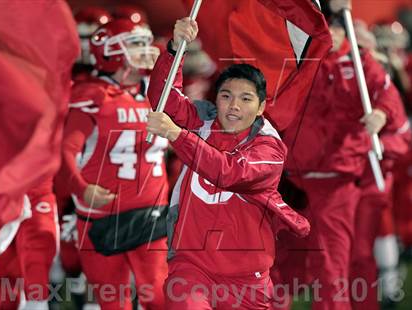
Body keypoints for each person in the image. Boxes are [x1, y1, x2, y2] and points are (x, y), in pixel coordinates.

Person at [146, 17, 308, 309]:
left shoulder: (270, 147)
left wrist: (176, 134)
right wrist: (175, 50)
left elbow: (230, 172)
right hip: (192, 267)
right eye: (226, 96)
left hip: (248, 277)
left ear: (261, 107)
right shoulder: (204, 121)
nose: (233, 105)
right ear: (216, 99)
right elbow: (164, 100)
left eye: (246, 99)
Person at [271, 0, 406, 309]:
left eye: (330, 25)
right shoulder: (301, 58)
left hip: (336, 181)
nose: (325, 32)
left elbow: (388, 97)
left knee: (333, 266)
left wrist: (381, 115)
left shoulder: (360, 61)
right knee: (282, 263)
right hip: (290, 180)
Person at [61, 18, 167, 310]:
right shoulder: (93, 95)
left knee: (158, 298)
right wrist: (81, 189)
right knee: (113, 303)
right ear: (109, 51)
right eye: (135, 43)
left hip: (151, 213)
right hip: (102, 216)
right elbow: (66, 151)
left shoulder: (159, 91)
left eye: (145, 42)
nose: (145, 49)